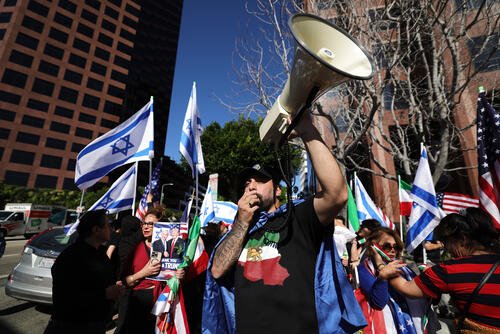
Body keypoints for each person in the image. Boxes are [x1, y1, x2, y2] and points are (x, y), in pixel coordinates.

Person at [203, 112, 366, 333]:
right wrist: (241, 224)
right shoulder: (240, 229)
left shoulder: (298, 217)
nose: (251, 186)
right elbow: (217, 271)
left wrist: (308, 131)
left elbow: (336, 194)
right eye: (247, 183)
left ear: (278, 190)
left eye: (260, 180)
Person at [379, 208, 500, 332]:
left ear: (463, 240)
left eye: (446, 242)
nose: (446, 248)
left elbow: (406, 288)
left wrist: (381, 264)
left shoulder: (449, 270)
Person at [45, 209, 124, 334]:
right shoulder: (72, 257)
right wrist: (104, 294)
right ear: (96, 230)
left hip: (96, 324)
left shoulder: (101, 253)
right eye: (108, 226)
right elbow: (66, 298)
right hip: (72, 326)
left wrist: (114, 288)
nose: (111, 229)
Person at [355, 227, 439, 333]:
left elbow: (424, 296)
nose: (393, 250)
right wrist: (383, 278)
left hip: (413, 324)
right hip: (389, 326)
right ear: (373, 246)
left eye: (396, 246)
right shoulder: (365, 268)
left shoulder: (405, 267)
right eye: (387, 246)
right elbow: (379, 303)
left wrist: (428, 279)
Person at [119, 207, 164, 334]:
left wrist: (179, 274)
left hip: (161, 302)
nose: (146, 227)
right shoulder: (135, 247)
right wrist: (144, 272)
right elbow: (125, 281)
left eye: (151, 224)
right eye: (144, 223)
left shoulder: (167, 248)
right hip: (139, 302)